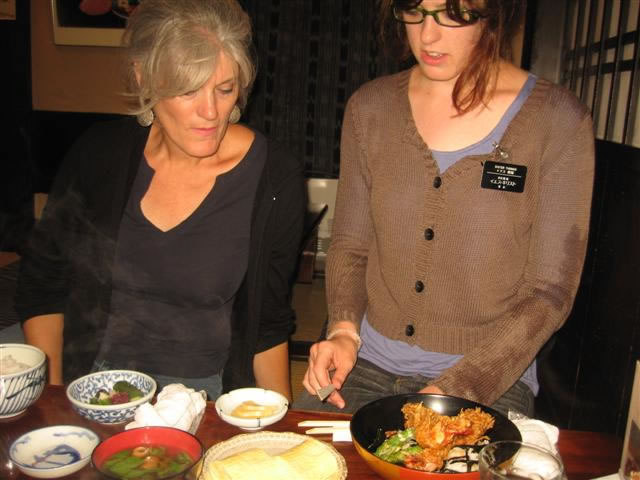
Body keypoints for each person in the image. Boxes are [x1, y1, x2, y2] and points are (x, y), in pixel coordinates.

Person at [296, 0, 594, 416]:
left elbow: (549, 292)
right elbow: (351, 243)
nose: (428, 35)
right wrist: (344, 329)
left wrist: (457, 387)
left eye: (454, 13)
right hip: (364, 362)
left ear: (493, 13)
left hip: (488, 377)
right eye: (415, 10)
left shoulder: (557, 120)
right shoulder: (371, 108)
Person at [15, 0, 305, 401]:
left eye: (225, 89)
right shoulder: (99, 155)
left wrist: (280, 418)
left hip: (204, 392)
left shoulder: (275, 176)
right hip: (95, 379)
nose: (210, 112)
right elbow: (43, 282)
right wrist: (53, 398)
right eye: (187, 90)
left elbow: (268, 322)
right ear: (144, 78)